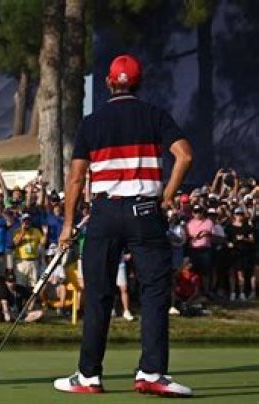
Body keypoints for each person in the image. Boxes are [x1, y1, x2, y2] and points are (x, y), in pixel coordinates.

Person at [53, 54, 194, 397]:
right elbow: (185, 156)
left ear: (107, 83)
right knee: (155, 292)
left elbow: (76, 178)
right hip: (145, 211)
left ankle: (89, 376)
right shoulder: (154, 115)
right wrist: (167, 196)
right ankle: (151, 373)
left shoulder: (91, 123)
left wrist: (68, 225)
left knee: (98, 294)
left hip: (104, 212)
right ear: (139, 82)